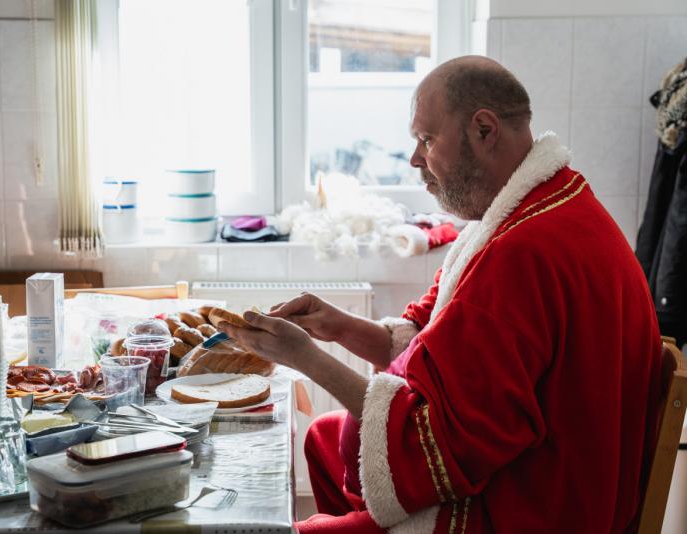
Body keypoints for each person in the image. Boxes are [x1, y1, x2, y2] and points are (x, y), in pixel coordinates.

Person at [217, 56, 663, 533]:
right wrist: (339, 326)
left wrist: (306, 358)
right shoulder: (539, 204)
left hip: (531, 506)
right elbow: (430, 337)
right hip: (548, 473)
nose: (414, 159)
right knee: (326, 437)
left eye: (427, 140)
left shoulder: (523, 253)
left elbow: (437, 446)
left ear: (484, 130)